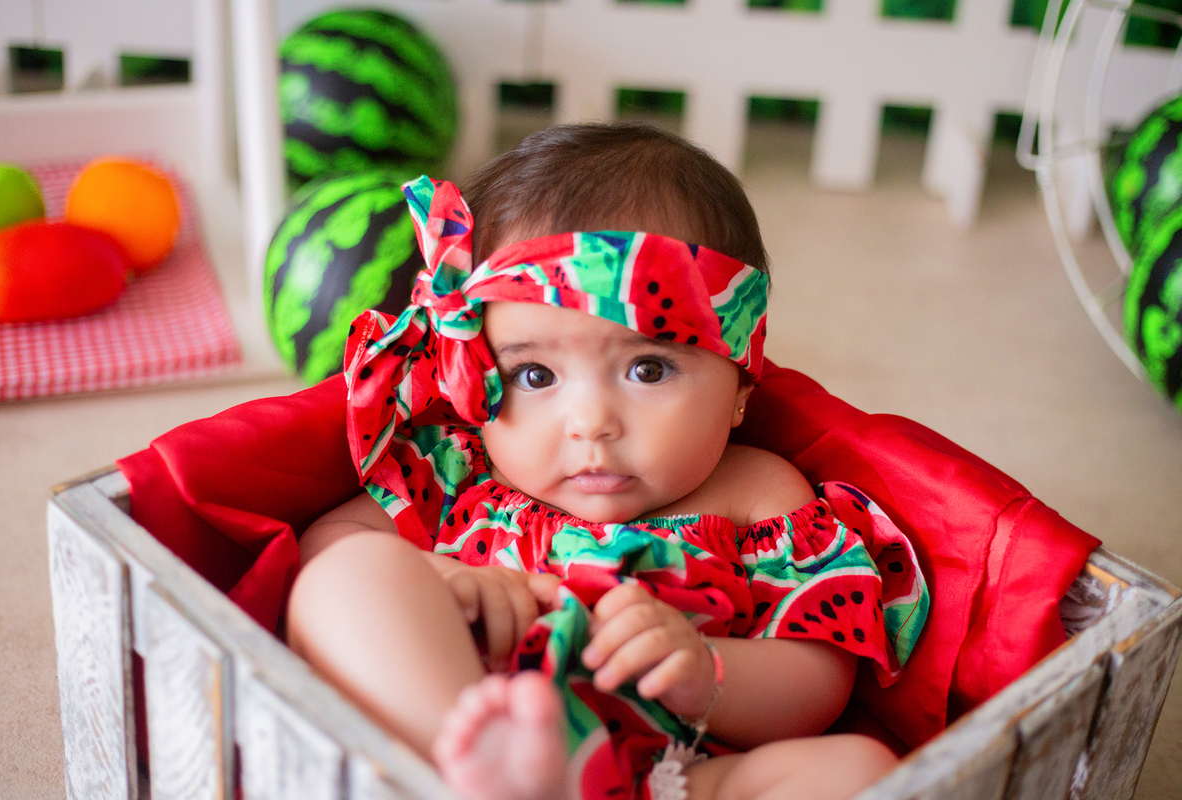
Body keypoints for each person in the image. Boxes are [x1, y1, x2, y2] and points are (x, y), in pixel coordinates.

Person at [286, 123, 930, 800]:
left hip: (672, 776)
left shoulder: (757, 494)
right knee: (346, 575)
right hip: (464, 741)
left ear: (741, 385)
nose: (591, 423)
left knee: (857, 769)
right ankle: (492, 771)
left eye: (648, 368)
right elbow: (326, 542)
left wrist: (704, 672)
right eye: (534, 376)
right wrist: (444, 577)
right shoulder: (464, 470)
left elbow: (820, 680)